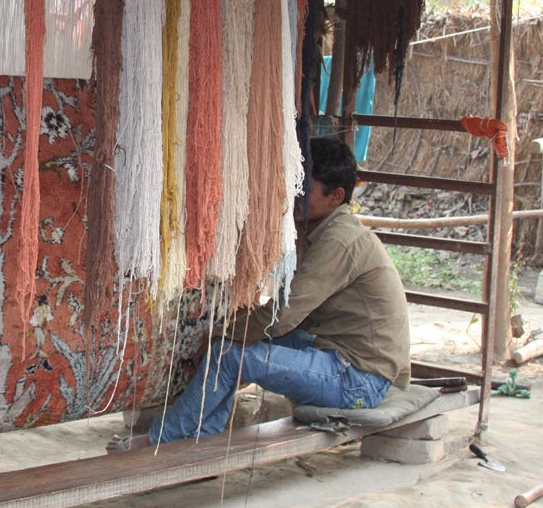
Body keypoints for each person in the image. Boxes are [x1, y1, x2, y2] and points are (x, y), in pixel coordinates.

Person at [112, 136, 409, 450]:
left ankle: (160, 441)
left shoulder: (340, 241)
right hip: (341, 359)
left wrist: (225, 329)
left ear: (336, 196)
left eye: (304, 187)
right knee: (227, 348)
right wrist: (230, 331)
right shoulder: (321, 232)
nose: (294, 194)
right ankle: (205, 440)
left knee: (228, 354)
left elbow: (282, 317)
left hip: (358, 381)